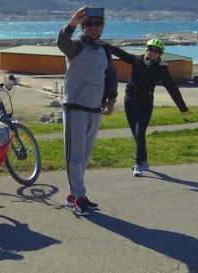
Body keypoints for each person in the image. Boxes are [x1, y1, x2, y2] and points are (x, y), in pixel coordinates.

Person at [56, 7, 118, 216]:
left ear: (102, 27)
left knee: (84, 155)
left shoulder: (104, 49)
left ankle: (74, 195)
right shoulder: (76, 46)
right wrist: (72, 23)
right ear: (83, 26)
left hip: (94, 108)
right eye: (89, 24)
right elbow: (62, 43)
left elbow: (110, 75)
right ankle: (79, 197)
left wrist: (111, 100)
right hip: (75, 107)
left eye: (97, 24)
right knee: (74, 155)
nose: (93, 28)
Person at [107, 39, 190, 177]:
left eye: (156, 51)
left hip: (145, 103)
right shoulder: (137, 60)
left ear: (160, 54)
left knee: (140, 134)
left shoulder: (161, 68)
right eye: (150, 49)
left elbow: (172, 88)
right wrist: (105, 45)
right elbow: (120, 53)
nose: (152, 53)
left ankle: (138, 164)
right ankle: (144, 160)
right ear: (146, 49)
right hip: (129, 100)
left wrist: (182, 108)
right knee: (136, 133)